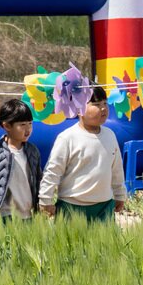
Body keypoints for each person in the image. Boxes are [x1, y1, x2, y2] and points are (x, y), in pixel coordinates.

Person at [39, 86, 126, 221]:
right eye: (96, 104)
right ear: (78, 109)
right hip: (71, 206)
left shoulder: (110, 135)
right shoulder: (67, 137)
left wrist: (120, 194)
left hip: (104, 206)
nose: (103, 108)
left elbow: (117, 169)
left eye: (105, 103)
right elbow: (53, 170)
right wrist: (46, 199)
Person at [0, 99, 42, 221]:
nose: (28, 129)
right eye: (22, 125)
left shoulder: (33, 151)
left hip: (28, 215)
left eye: (30, 124)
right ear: (7, 126)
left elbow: (38, 180)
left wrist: (43, 203)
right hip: (4, 215)